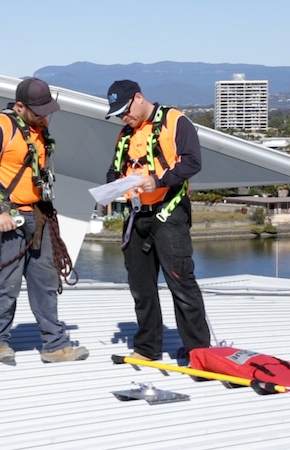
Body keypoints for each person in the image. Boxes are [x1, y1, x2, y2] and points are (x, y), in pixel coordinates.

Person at [0, 77, 89, 364]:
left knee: (45, 280)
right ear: (20, 106)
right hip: (8, 216)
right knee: (6, 282)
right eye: (39, 110)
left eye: (48, 110)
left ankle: (54, 344)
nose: (45, 115)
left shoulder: (39, 127)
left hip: (38, 213)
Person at [104, 80, 210, 362]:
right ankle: (147, 348)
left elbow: (192, 162)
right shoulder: (125, 134)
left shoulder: (175, 121)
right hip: (136, 214)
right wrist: (112, 188)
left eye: (125, 110)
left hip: (169, 211)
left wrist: (160, 181)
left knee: (181, 281)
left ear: (139, 98)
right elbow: (114, 170)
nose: (123, 117)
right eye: (118, 114)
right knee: (140, 285)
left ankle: (198, 351)